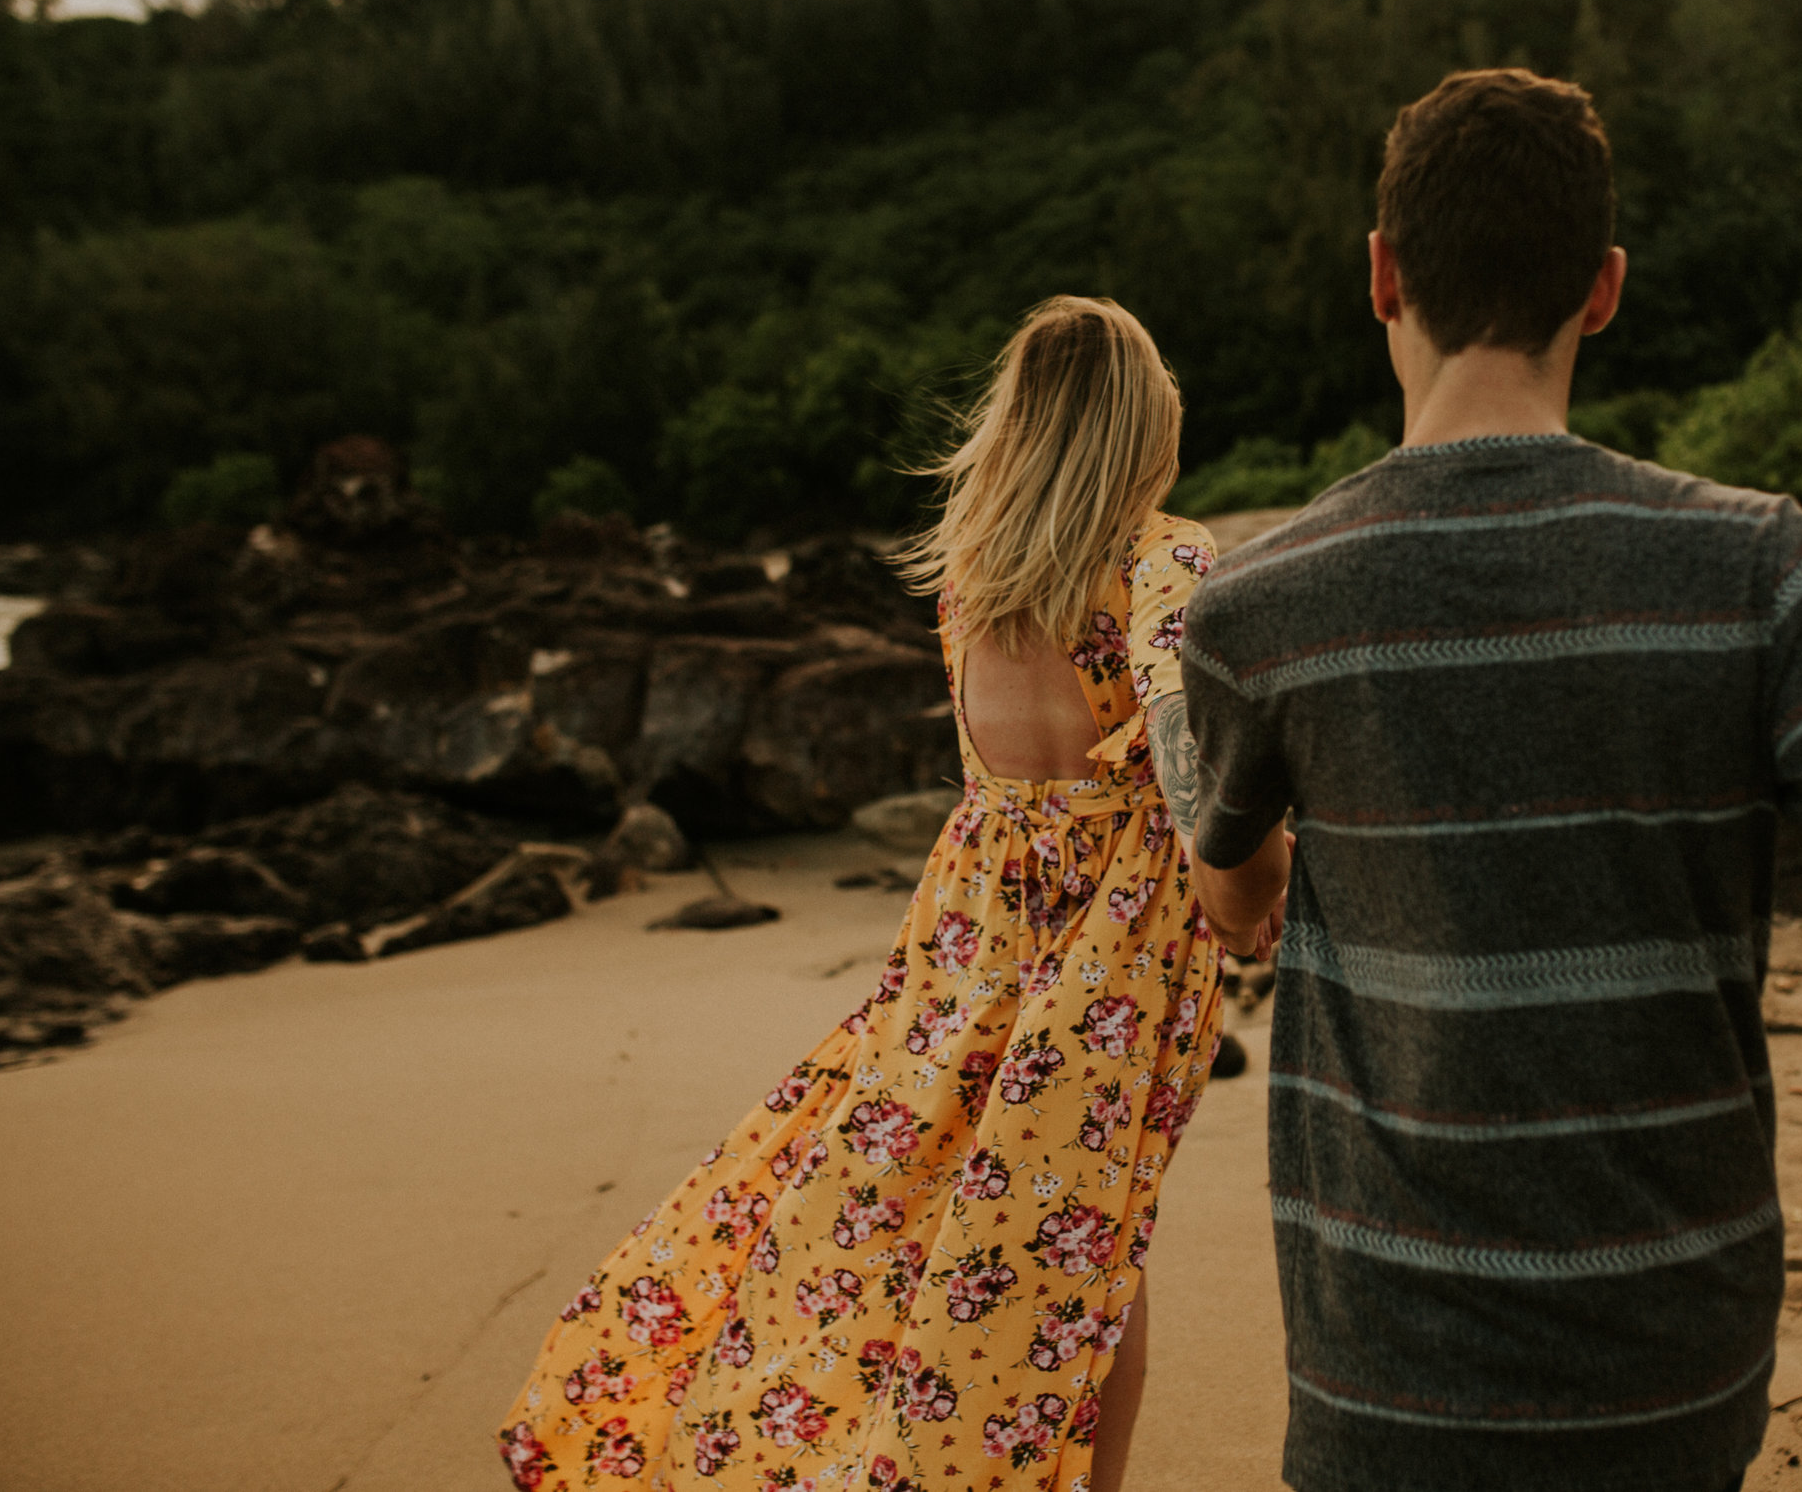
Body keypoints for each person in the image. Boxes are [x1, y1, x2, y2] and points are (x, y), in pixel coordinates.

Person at [1173, 70, 1802, 1492]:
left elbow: (1234, 899)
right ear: (1605, 287)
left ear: (1382, 273)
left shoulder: (1266, 601)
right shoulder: (1763, 562)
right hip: (1680, 1358)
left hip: (1392, 1366)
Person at [499, 295, 1256, 1492]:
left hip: (969, 938)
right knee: (1091, 1238)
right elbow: (1176, 725)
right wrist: (1237, 857)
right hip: (1110, 966)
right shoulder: (1169, 558)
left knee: (895, 1212)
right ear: (1140, 424)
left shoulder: (970, 583)